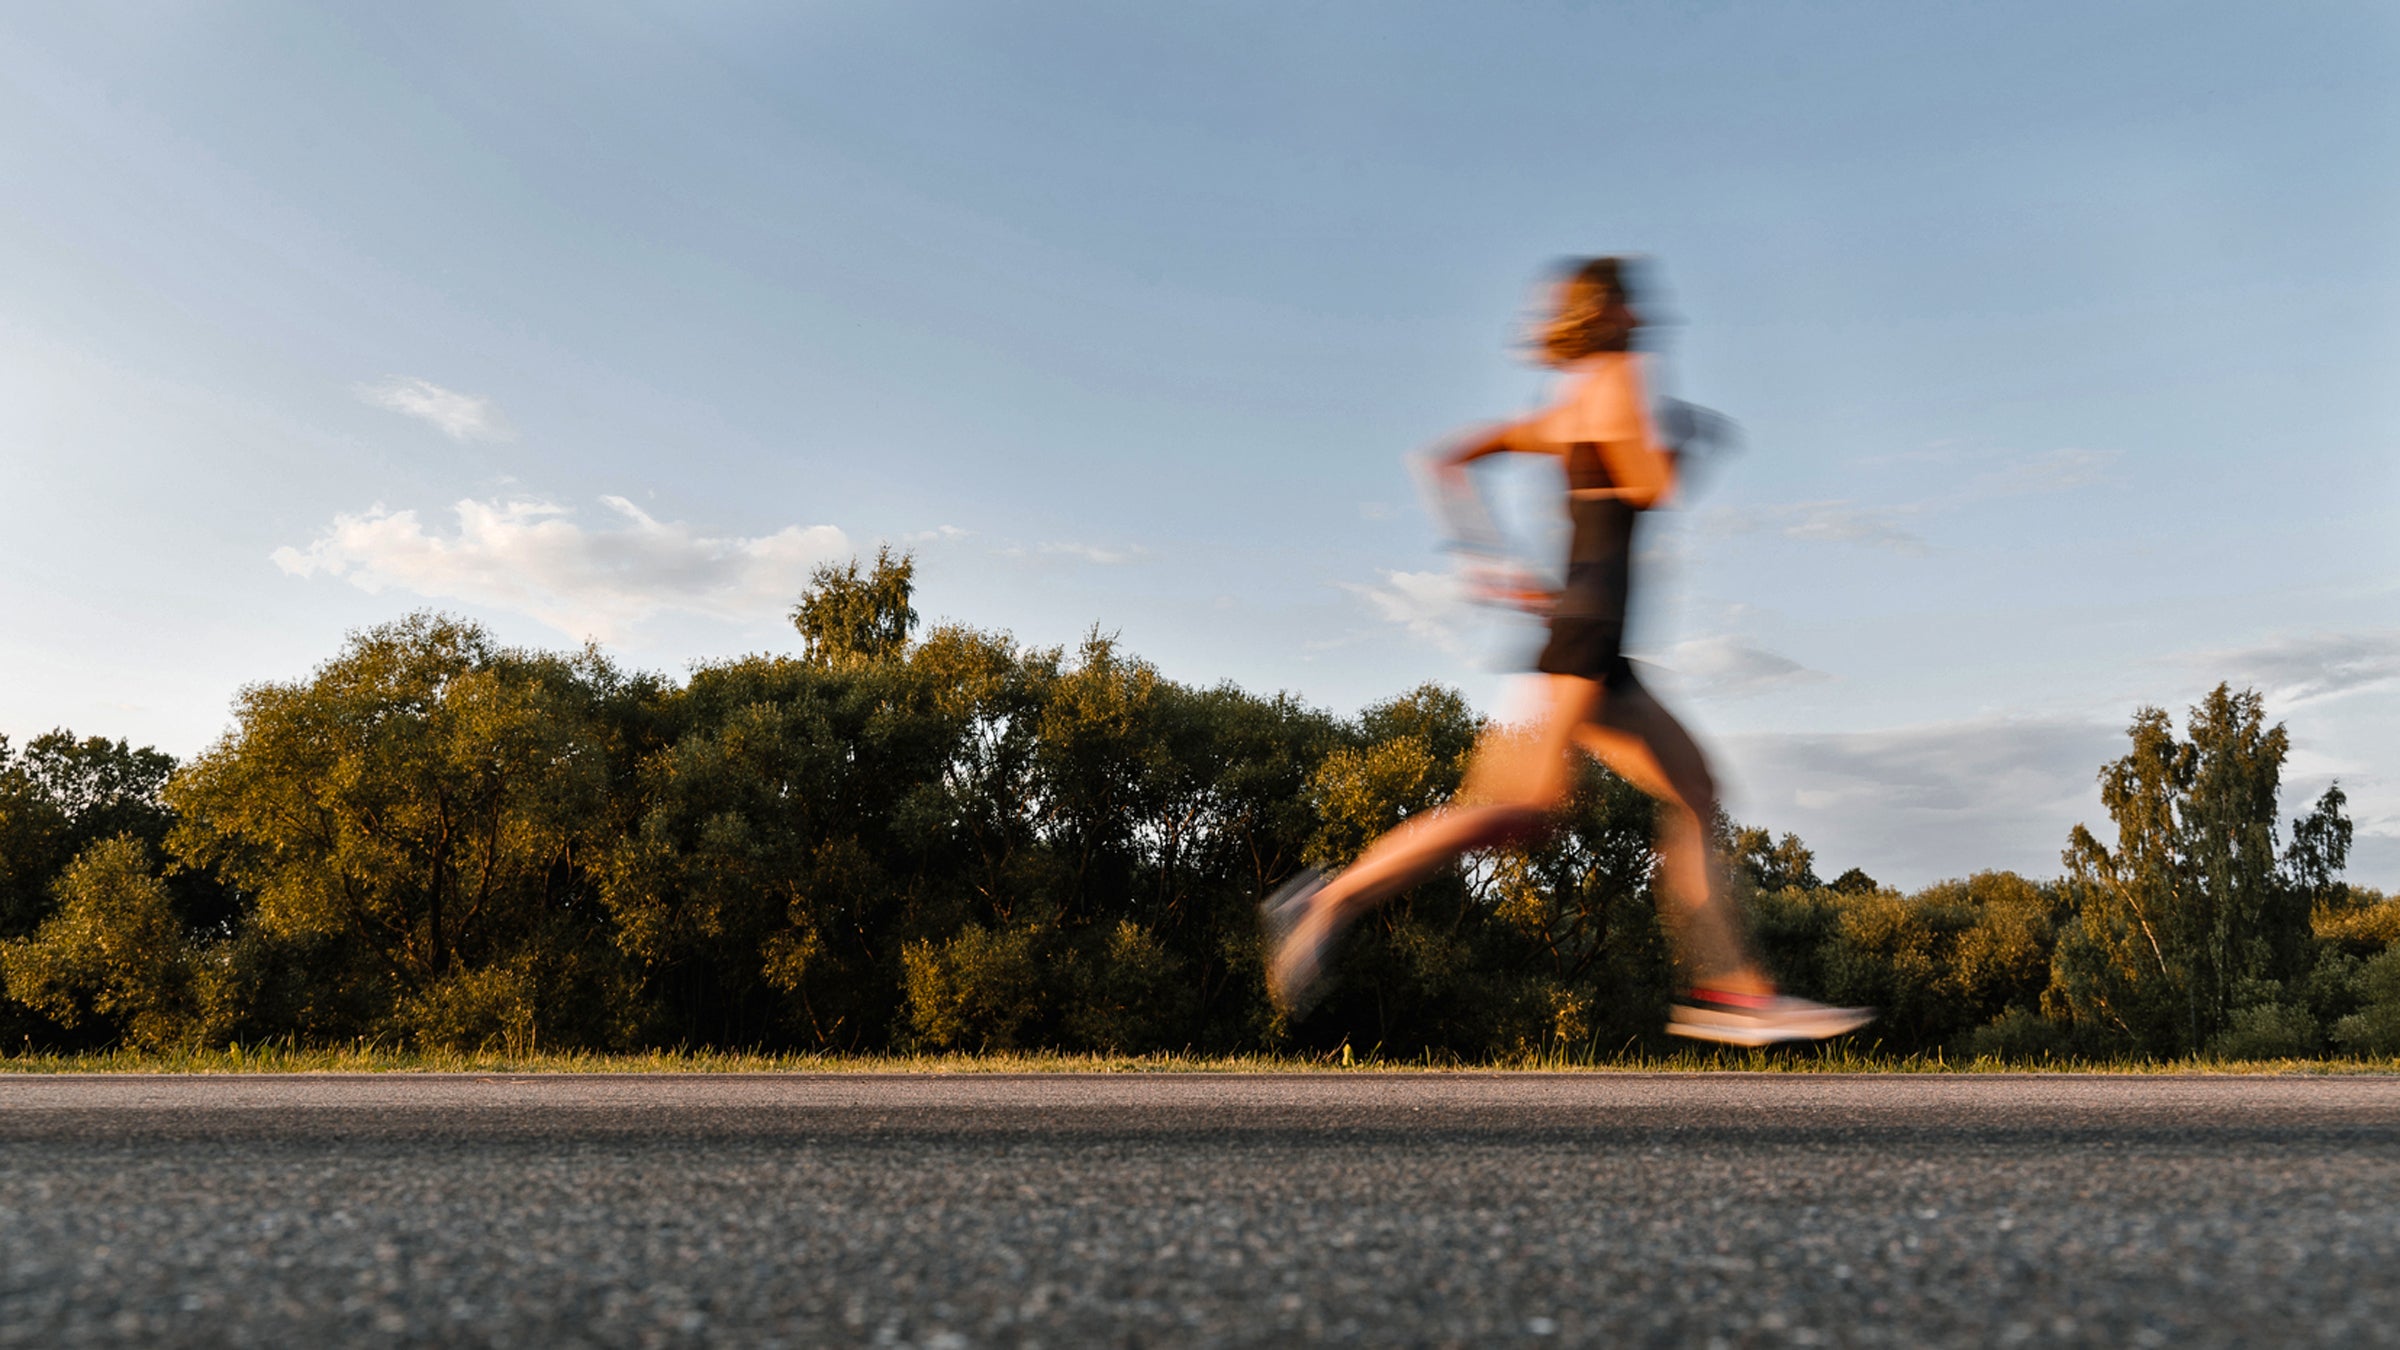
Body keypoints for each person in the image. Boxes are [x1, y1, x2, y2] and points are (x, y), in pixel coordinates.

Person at [1263, 257, 1872, 1047]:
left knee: (1695, 794)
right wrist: (1686, 433)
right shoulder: (1621, 378)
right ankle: (1328, 900)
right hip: (1587, 635)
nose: (1644, 313)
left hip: (1602, 644)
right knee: (1520, 812)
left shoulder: (1569, 400)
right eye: (1631, 302)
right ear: (1610, 312)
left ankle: (1733, 994)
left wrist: (1490, 559)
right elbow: (1651, 484)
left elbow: (1449, 458)